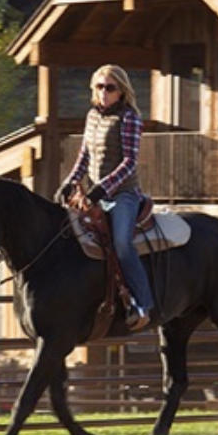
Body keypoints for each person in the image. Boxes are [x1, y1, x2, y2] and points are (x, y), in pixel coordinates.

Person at [57, 64, 154, 331]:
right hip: (92, 195)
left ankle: (143, 304)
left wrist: (101, 189)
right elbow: (84, 156)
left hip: (123, 195)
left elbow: (129, 163)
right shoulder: (91, 116)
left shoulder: (129, 118)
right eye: (99, 87)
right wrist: (70, 182)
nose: (104, 92)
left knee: (122, 244)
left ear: (121, 92)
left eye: (110, 88)